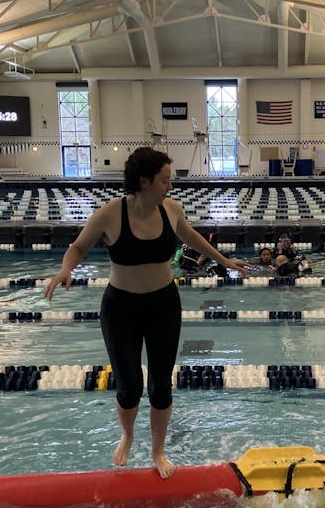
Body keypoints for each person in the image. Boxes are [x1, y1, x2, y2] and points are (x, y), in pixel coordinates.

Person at [44, 147, 250, 478]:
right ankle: (127, 435)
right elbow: (78, 246)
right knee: (128, 384)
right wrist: (65, 269)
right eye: (165, 180)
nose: (170, 186)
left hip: (163, 305)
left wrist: (224, 260)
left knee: (160, 385)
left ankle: (157, 449)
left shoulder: (171, 209)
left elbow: (190, 236)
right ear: (144, 181)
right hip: (120, 308)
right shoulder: (111, 214)